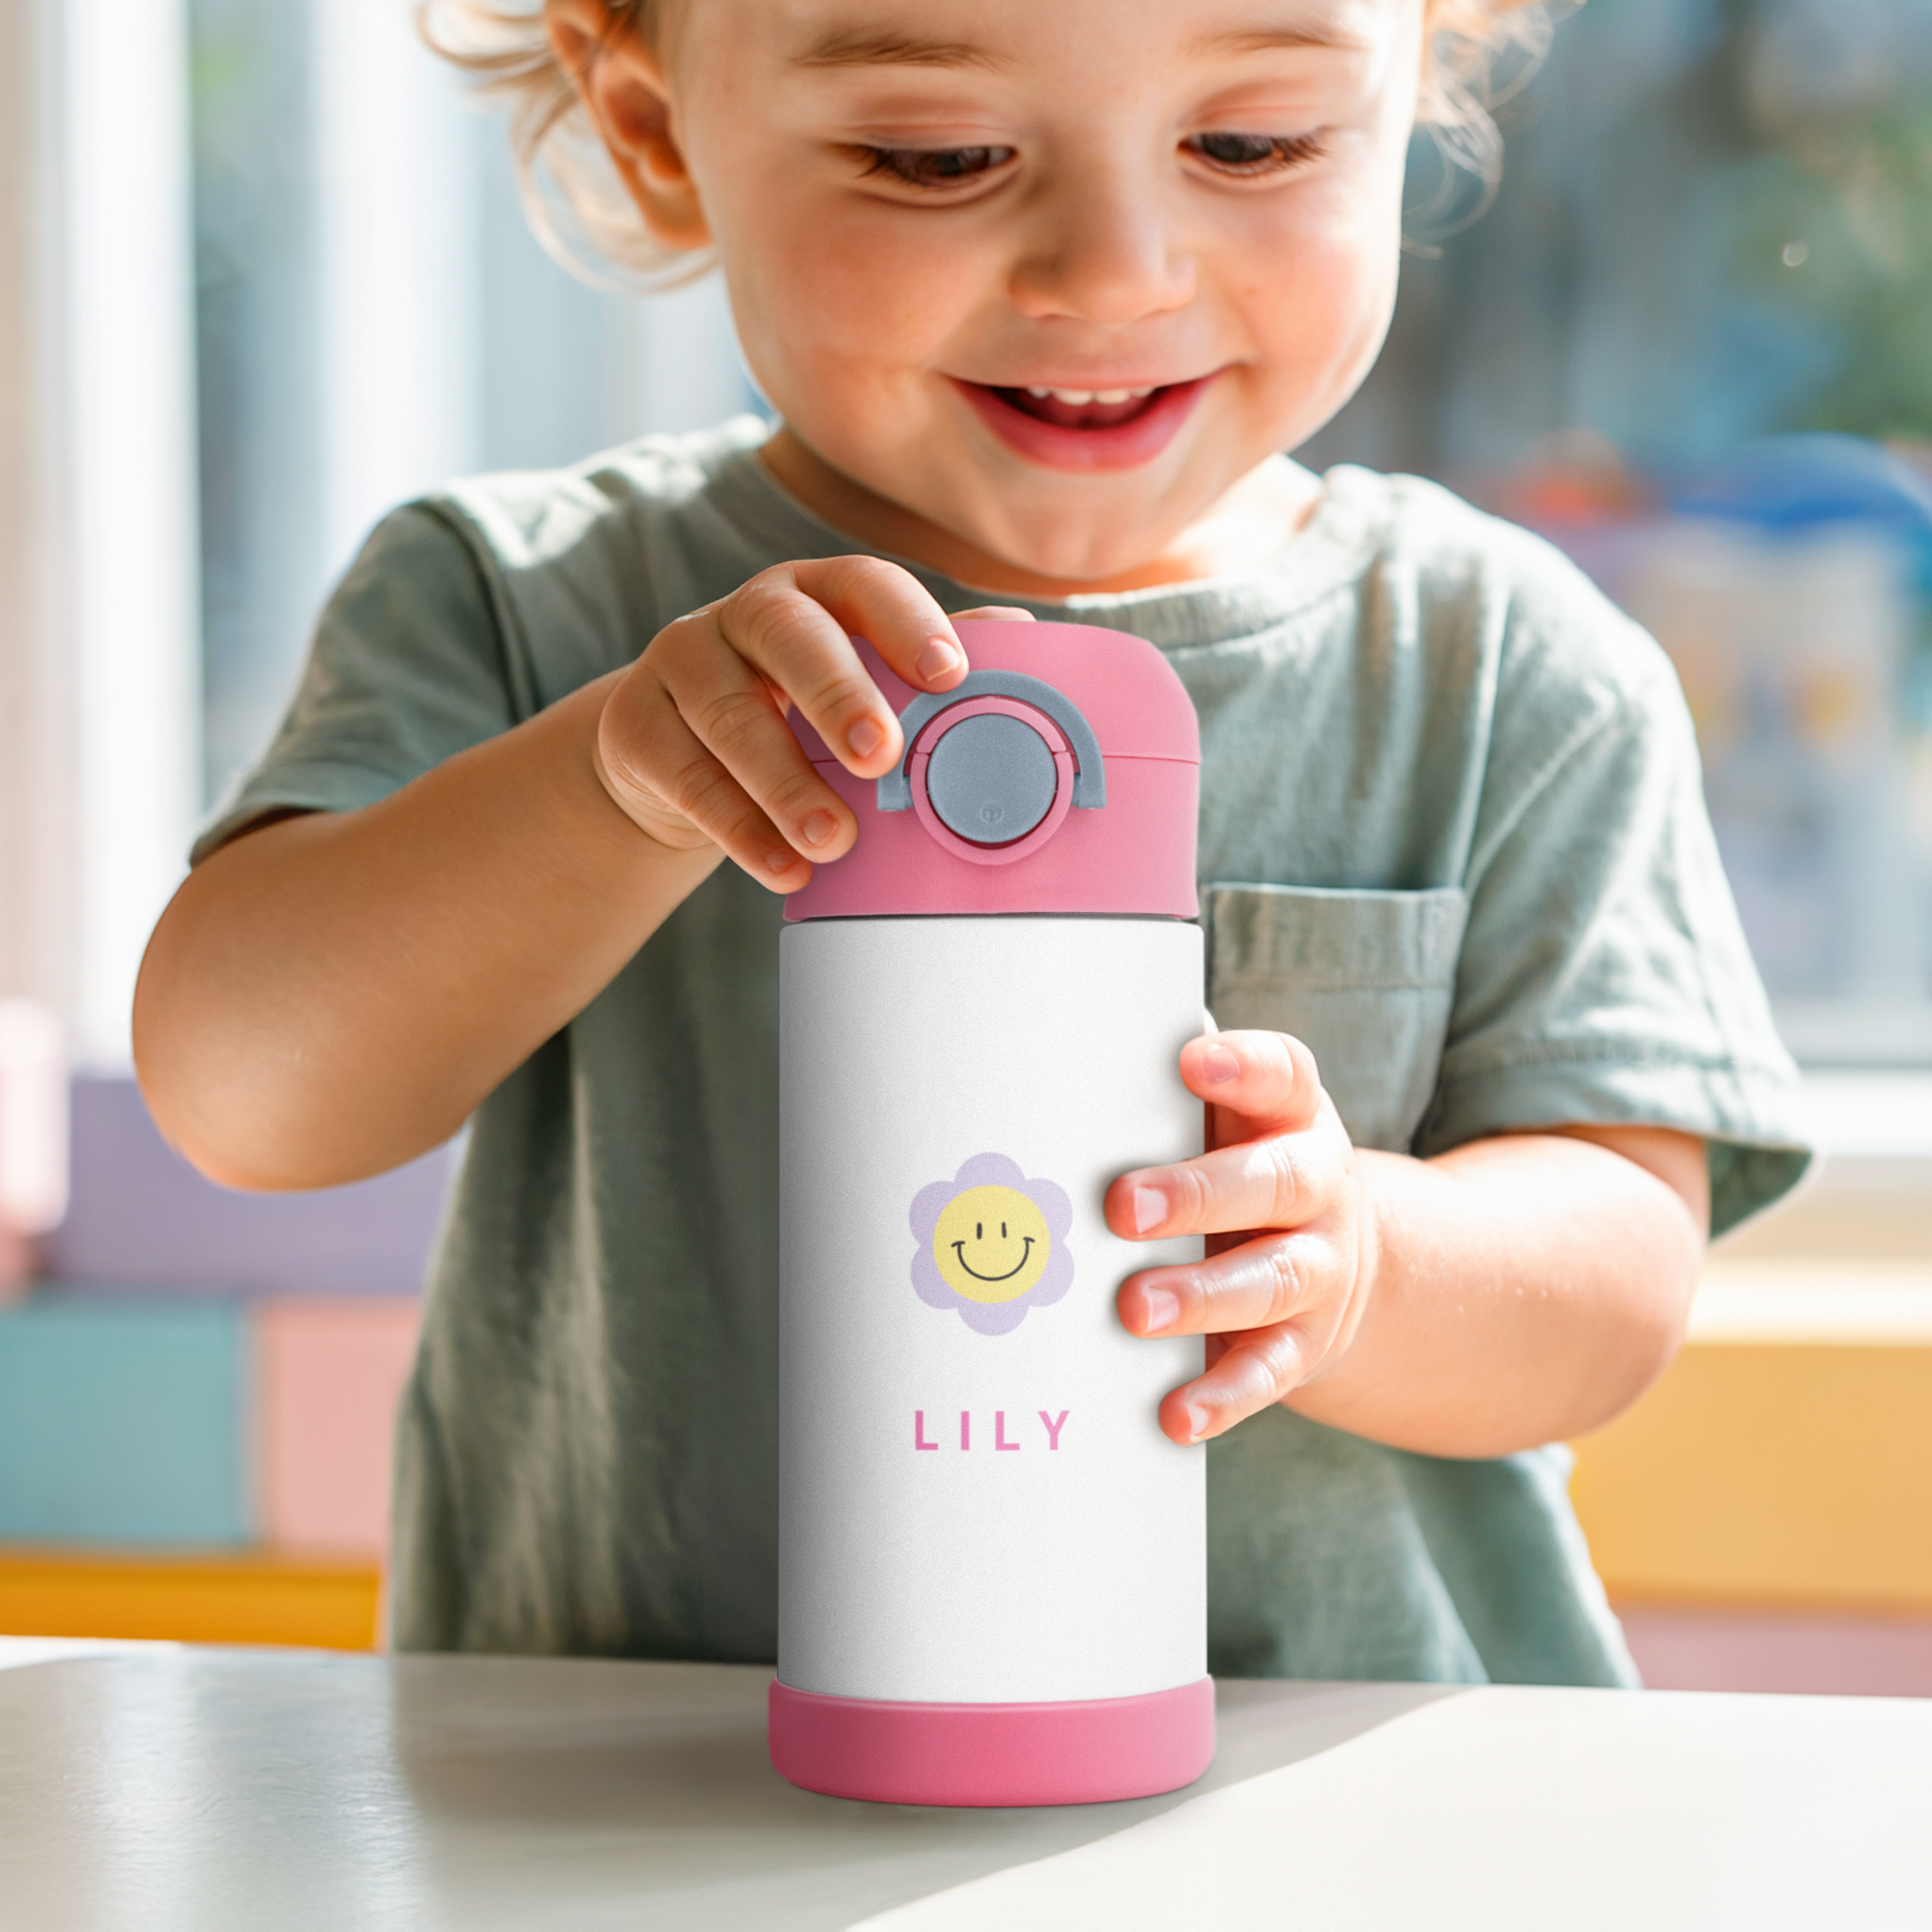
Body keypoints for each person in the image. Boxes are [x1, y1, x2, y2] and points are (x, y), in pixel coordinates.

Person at [133, 0, 1810, 1682]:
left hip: (1331, 1800)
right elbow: (246, 1095)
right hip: (627, 1792)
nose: (1114, 274)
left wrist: (1364, 1261)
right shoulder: (522, 606)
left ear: (1408, 83)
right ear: (653, 127)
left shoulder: (1500, 666)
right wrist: (605, 791)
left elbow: (1617, 1280)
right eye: (938, 157)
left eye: (1251, 143)